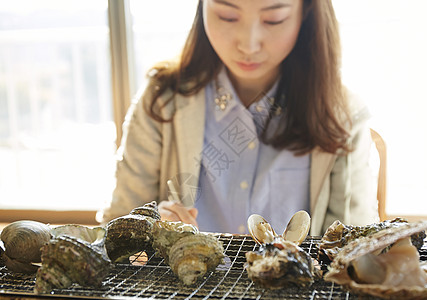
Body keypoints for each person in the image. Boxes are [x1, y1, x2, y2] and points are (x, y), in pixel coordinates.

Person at [97, 0, 379, 236]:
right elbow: (117, 226)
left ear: (305, 13)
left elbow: (355, 245)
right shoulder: (162, 101)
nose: (248, 44)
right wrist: (150, 228)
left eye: (274, 20)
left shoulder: (341, 114)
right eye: (227, 16)